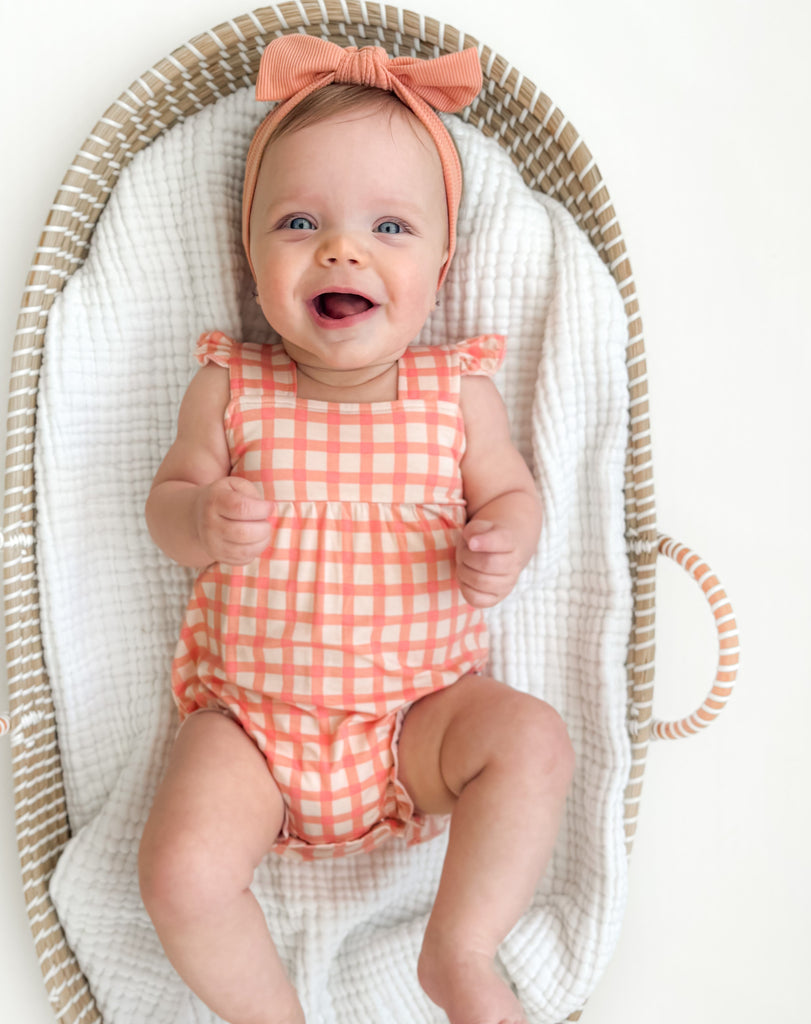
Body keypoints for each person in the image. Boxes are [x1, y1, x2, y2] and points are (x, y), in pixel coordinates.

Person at [139, 34, 574, 1024]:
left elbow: (510, 495)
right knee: (177, 870)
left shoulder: (456, 395)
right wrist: (200, 517)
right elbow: (165, 505)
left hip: (416, 724)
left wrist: (503, 537)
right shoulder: (230, 384)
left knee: (535, 742)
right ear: (250, 259)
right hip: (251, 730)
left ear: (439, 265)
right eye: (299, 222)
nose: (343, 249)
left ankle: (456, 949)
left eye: (389, 226)